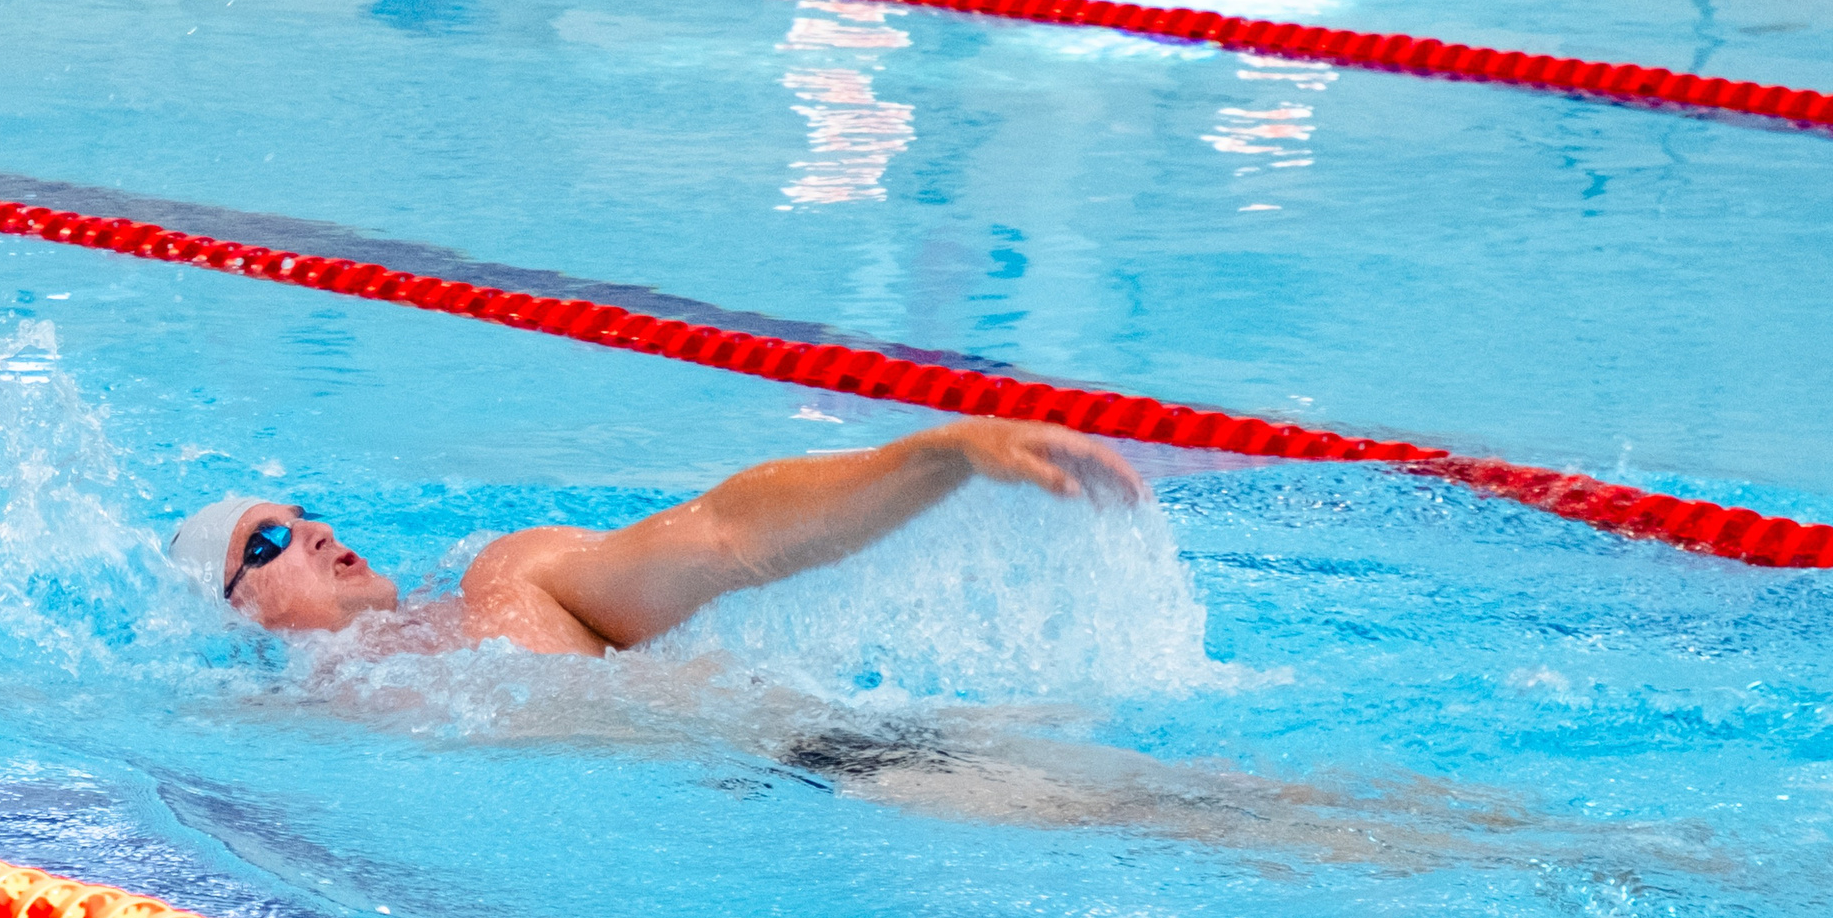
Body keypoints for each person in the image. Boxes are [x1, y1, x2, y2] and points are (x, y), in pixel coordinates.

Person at [168, 418, 1146, 657]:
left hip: (830, 765)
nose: (314, 531)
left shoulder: (506, 585)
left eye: (303, 514)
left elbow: (722, 536)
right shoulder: (272, 731)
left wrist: (940, 454)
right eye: (268, 542)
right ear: (232, 612)